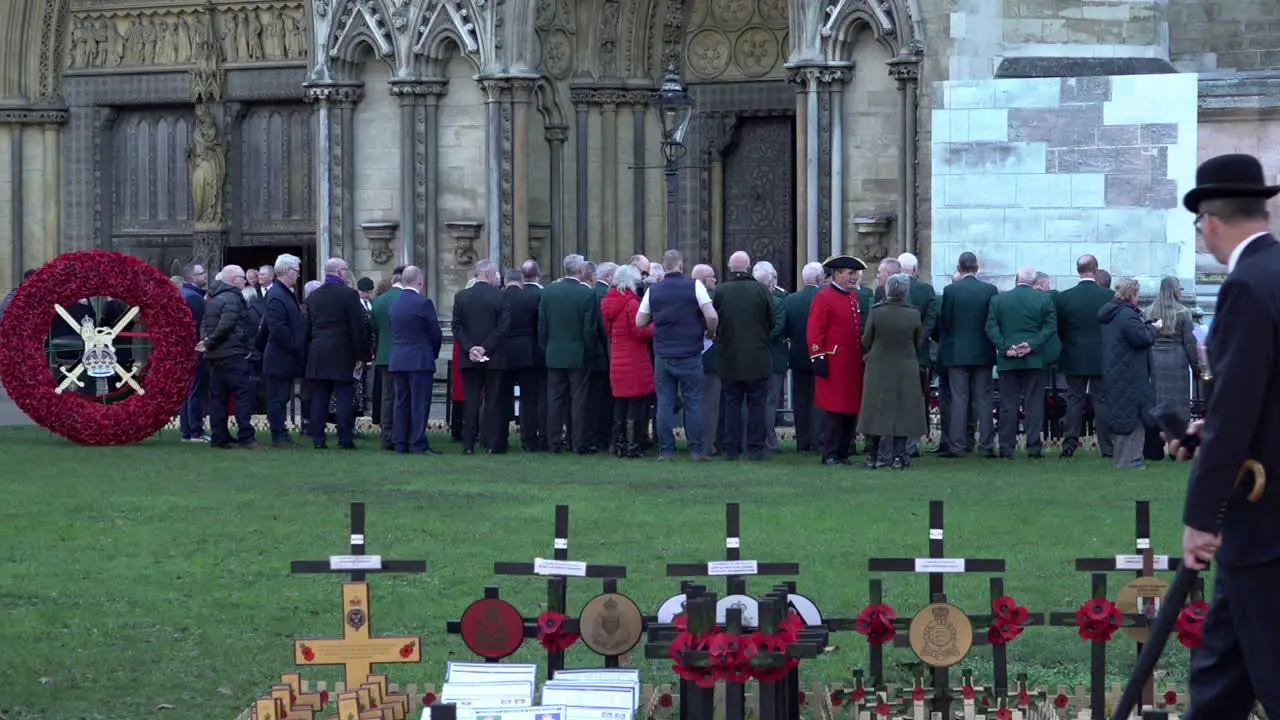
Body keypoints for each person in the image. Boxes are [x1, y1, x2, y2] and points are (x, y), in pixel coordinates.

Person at [1167, 153, 1280, 719]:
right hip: (1256, 531)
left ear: (1208, 220)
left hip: (1264, 522)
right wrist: (1206, 429)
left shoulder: (1245, 286)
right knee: (1219, 679)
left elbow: (1237, 411)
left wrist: (1199, 518)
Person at [859, 273, 927, 469]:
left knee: (874, 411)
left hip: (878, 366)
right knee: (902, 412)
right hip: (905, 367)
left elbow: (866, 341)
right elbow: (918, 341)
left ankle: (873, 457)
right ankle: (899, 457)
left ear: (888, 289)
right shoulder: (913, 313)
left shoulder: (876, 312)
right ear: (905, 291)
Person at [712, 250, 775, 461]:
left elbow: (714, 320)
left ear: (730, 268)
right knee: (757, 405)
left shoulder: (720, 291)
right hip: (758, 358)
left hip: (730, 357)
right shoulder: (761, 289)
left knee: (731, 404)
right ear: (748, 267)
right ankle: (755, 448)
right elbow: (771, 321)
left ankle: (732, 448)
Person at [805, 255, 866, 466]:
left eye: (855, 274)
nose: (854, 277)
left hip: (851, 363)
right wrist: (817, 356)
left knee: (850, 410)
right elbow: (814, 331)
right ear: (837, 274)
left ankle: (843, 452)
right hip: (834, 362)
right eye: (850, 273)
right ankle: (830, 453)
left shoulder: (853, 297)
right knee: (835, 411)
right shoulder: (824, 297)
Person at [304, 258, 368, 449]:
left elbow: (307, 327)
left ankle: (318, 438)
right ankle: (344, 438)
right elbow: (358, 327)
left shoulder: (314, 296)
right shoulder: (349, 294)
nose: (347, 273)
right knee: (344, 395)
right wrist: (362, 355)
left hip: (318, 350)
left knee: (320, 396)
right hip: (342, 350)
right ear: (340, 272)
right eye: (346, 270)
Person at [1098, 277, 1158, 469]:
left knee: (1122, 413)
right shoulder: (1127, 315)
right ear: (1132, 294)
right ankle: (1130, 460)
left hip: (1117, 370)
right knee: (1133, 415)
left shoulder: (1112, 313)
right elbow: (1142, 338)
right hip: (1130, 373)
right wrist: (1154, 328)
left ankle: (1125, 459)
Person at [452, 260, 510, 453]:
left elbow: (456, 327)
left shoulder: (461, 297)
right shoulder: (500, 297)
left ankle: (468, 445)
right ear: (488, 274)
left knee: (471, 401)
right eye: (494, 274)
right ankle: (492, 445)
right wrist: (484, 348)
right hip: (494, 357)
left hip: (469, 357)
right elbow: (503, 327)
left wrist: (471, 349)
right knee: (493, 401)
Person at [198, 264, 259, 449]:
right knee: (242, 395)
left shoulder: (212, 298)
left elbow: (205, 324)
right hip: (232, 353)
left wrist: (206, 342)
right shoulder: (233, 298)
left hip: (215, 356)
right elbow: (227, 324)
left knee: (219, 398)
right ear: (234, 280)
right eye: (242, 277)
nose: (245, 281)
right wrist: (209, 342)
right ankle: (246, 437)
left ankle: (219, 436)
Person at [389, 266, 443, 455]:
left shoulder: (394, 304)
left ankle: (400, 442)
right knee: (419, 402)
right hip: (419, 358)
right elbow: (435, 333)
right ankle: (418, 443)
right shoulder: (423, 303)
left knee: (401, 402)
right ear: (420, 282)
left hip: (398, 358)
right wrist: (432, 353)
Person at [602, 265, 655, 457]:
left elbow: (610, 331)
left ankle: (617, 444)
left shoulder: (608, 302)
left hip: (617, 359)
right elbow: (638, 331)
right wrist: (654, 327)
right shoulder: (632, 304)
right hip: (634, 360)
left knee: (620, 403)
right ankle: (632, 445)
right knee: (634, 404)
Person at [1144, 276, 1202, 429]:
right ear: (1175, 290)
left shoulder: (1148, 311)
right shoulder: (1184, 312)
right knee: (1177, 402)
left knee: (1157, 399)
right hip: (1177, 359)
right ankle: (1176, 442)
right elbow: (1190, 343)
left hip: (1155, 359)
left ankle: (1154, 445)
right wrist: (1197, 366)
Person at [261, 253, 305, 446]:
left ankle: (282, 433)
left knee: (283, 397)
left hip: (285, 356)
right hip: (280, 356)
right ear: (287, 271)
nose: (298, 275)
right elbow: (277, 327)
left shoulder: (286, 293)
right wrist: (295, 344)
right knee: (277, 398)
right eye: (296, 271)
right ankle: (278, 434)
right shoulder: (278, 295)